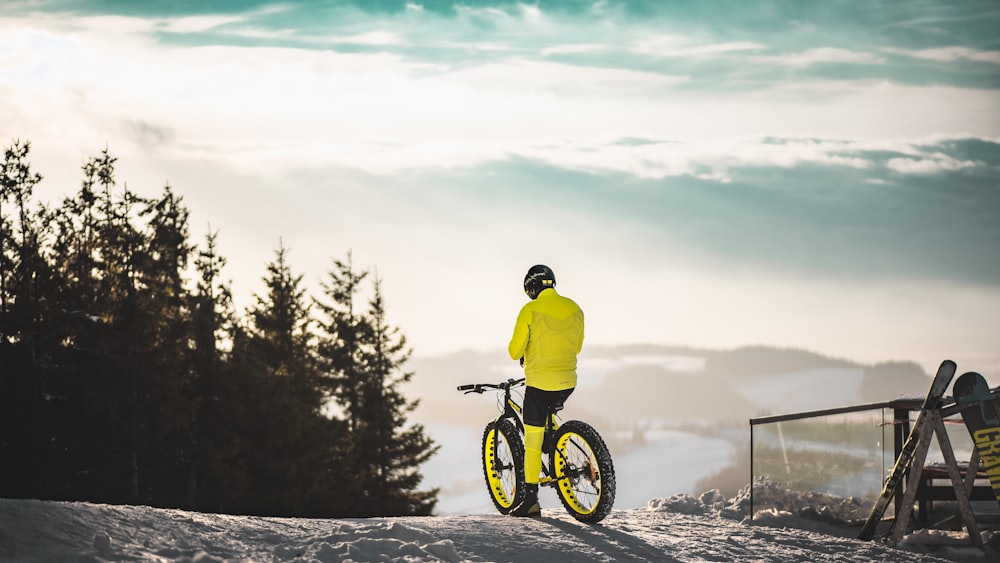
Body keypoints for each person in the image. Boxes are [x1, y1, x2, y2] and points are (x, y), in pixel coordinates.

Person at [507, 264, 585, 517]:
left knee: (532, 440)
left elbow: (514, 352)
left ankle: (530, 500)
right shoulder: (575, 308)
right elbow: (577, 347)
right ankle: (556, 447)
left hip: (539, 383)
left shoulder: (529, 310)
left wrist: (528, 353)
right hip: (568, 382)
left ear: (530, 288)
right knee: (548, 417)